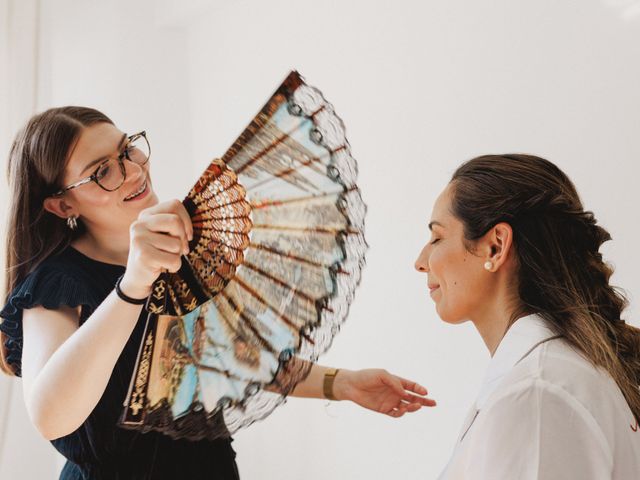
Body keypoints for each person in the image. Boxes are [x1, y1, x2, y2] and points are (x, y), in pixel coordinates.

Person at [0, 106, 436, 479]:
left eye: (126, 148)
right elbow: (50, 415)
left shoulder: (181, 251)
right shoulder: (57, 282)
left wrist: (341, 384)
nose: (132, 171)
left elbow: (227, 356)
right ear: (63, 205)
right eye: (102, 172)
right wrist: (134, 283)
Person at [415, 154, 640, 479]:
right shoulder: (547, 379)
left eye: (437, 237)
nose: (421, 261)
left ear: (495, 246)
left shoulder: (534, 396)